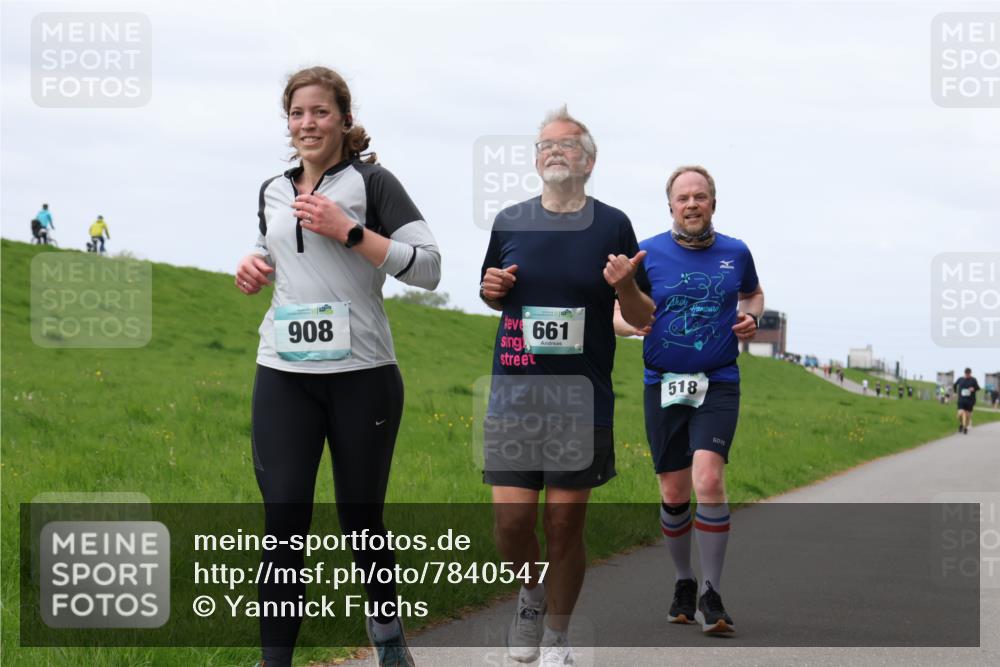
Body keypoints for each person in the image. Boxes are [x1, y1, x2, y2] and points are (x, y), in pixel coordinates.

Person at [234, 66, 440, 667]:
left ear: (344, 120)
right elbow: (276, 250)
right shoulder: (272, 187)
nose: (307, 124)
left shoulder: (373, 183)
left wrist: (351, 231)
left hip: (362, 377)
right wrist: (251, 264)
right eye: (297, 113)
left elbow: (428, 268)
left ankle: (388, 642)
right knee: (284, 523)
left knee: (360, 520)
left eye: (320, 112)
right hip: (283, 373)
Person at [479, 106, 654, 666]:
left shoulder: (613, 225)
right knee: (510, 526)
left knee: (563, 524)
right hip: (514, 395)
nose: (554, 151)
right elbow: (491, 292)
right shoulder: (510, 220)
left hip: (580, 399)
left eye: (567, 145)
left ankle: (557, 637)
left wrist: (625, 286)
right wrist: (491, 287)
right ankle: (530, 596)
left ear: (589, 160)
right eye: (545, 146)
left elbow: (642, 313)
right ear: (535, 161)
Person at [615, 165, 763, 636]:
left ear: (713, 203)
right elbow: (618, 311)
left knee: (708, 477)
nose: (693, 204)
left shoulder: (735, 252)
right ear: (671, 207)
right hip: (663, 383)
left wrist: (751, 318)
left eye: (701, 196)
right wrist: (631, 325)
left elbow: (754, 295)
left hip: (718, 380)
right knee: (674, 492)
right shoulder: (648, 253)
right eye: (684, 198)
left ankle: (711, 594)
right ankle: (684, 580)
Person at [953, 368, 980, 434]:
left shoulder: (973, 380)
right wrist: (955, 392)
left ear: (970, 373)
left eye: (968, 374)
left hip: (970, 400)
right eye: (966, 373)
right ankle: (962, 424)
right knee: (960, 414)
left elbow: (978, 388)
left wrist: (973, 388)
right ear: (964, 373)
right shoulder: (960, 379)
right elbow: (955, 385)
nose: (967, 375)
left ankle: (965, 427)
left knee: (967, 416)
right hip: (961, 400)